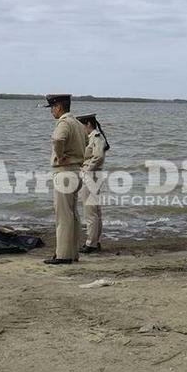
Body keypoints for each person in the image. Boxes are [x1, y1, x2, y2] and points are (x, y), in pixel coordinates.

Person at [44, 94, 86, 265]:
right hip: (77, 171)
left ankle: (63, 255)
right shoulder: (77, 123)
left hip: (65, 172)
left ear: (59, 107)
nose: (51, 111)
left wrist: (60, 155)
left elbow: (58, 139)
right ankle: (73, 253)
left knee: (63, 215)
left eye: (52, 108)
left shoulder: (63, 122)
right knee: (73, 214)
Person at [76, 114, 110, 253]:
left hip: (91, 176)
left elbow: (98, 156)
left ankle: (91, 244)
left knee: (91, 211)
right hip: (93, 175)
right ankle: (95, 241)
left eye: (82, 126)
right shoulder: (93, 137)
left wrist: (86, 170)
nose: (81, 130)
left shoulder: (96, 137)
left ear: (88, 124)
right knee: (95, 211)